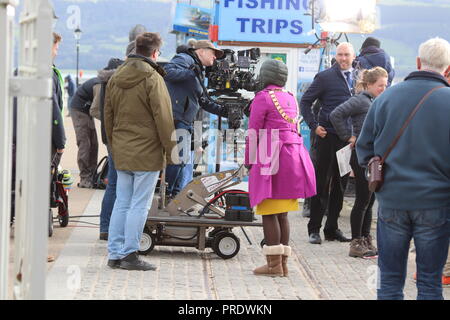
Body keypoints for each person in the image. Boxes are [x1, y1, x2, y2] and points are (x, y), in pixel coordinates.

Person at [356, 37, 450, 300]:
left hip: (392, 202)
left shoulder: (387, 98)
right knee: (431, 283)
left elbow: (364, 148)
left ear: (419, 62)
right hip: (436, 204)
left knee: (389, 282)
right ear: (447, 68)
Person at [104, 32, 178, 271]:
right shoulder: (153, 78)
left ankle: (114, 254)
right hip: (147, 152)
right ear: (155, 53)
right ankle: (130, 254)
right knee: (140, 204)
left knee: (121, 202)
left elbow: (108, 115)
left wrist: (113, 146)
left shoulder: (116, 76)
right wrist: (171, 151)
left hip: (122, 149)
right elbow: (164, 118)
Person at [245, 59, 316, 277]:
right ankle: (282, 264)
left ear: (265, 76)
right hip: (293, 155)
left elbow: (254, 131)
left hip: (270, 154)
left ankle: (273, 266)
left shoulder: (263, 98)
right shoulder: (290, 97)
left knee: (268, 211)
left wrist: (249, 160)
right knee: (282, 213)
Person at [300, 42, 356, 245]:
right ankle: (314, 229)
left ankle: (332, 228)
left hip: (346, 140)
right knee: (321, 184)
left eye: (346, 55)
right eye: (340, 54)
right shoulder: (324, 77)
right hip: (326, 138)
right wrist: (314, 125)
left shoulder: (359, 78)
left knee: (341, 186)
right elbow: (305, 101)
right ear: (335, 55)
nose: (343, 58)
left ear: (353, 56)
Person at [330, 67, 388, 258]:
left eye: (385, 85)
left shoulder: (373, 101)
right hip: (361, 156)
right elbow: (336, 114)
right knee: (363, 200)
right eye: (380, 85)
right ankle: (356, 242)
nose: (383, 88)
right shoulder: (360, 100)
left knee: (370, 200)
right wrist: (348, 136)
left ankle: (365, 238)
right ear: (369, 84)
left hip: (373, 156)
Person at [163, 40, 227, 198]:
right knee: (178, 161)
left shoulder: (198, 69)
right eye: (213, 53)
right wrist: (192, 71)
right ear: (201, 51)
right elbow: (167, 72)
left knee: (182, 162)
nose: (214, 58)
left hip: (185, 121)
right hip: (177, 119)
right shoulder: (185, 59)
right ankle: (168, 193)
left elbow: (203, 101)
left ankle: (175, 197)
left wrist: (226, 112)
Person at [96, 58, 124, 241]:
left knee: (113, 185)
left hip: (109, 136)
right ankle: (110, 227)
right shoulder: (117, 81)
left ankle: (105, 227)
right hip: (118, 138)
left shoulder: (105, 82)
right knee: (117, 184)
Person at [69, 77, 101, 188]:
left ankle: (92, 175)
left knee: (94, 144)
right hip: (79, 109)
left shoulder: (108, 82)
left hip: (87, 110)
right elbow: (95, 110)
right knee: (85, 144)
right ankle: (85, 178)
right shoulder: (100, 85)